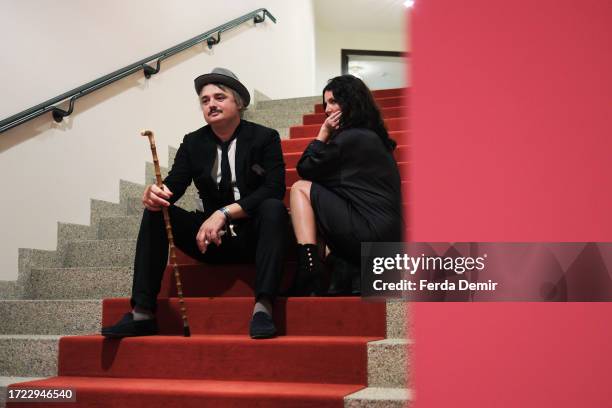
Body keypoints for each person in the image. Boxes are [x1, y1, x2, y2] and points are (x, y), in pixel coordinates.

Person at [102, 67, 288, 339]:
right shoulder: (193, 143)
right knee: (156, 211)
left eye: (219, 97)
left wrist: (223, 213)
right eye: (205, 100)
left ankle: (263, 307)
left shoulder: (264, 137)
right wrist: (155, 193)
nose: (211, 104)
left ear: (238, 102)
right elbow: (174, 185)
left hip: (253, 237)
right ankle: (142, 312)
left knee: (273, 208)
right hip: (211, 240)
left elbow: (274, 188)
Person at [288, 75, 403, 296]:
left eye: (333, 102)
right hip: (386, 235)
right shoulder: (373, 138)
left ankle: (310, 271)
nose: (327, 110)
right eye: (325, 104)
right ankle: (346, 267)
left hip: (371, 234)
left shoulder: (349, 139)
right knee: (321, 200)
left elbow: (306, 168)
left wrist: (323, 133)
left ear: (351, 103)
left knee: (301, 189)